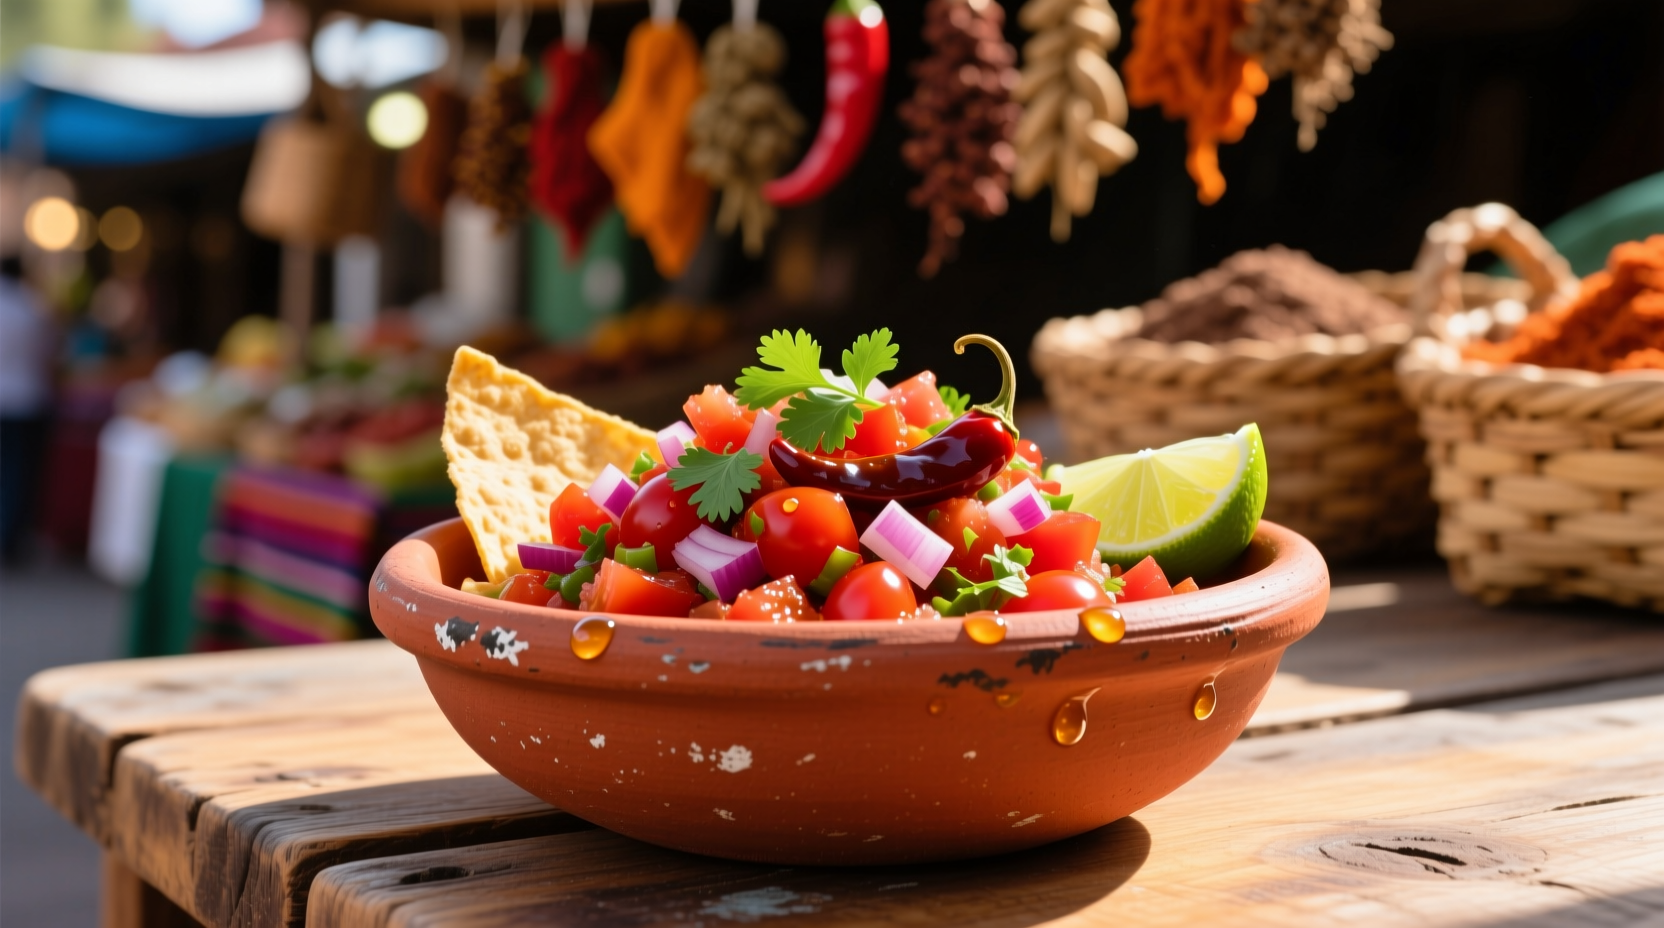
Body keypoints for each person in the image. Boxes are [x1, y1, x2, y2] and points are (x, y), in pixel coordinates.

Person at [0, 255, 52, 560]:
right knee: (19, 473)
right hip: (27, 401)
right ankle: (10, 536)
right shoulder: (32, 309)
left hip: (17, 400)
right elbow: (49, 357)